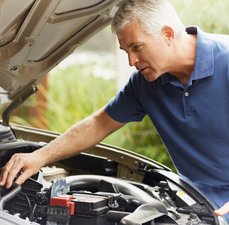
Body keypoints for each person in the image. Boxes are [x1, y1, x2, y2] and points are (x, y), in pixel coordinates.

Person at [0, 0, 228, 221]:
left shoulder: (225, 61)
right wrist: (39, 156)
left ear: (167, 34)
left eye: (136, 47)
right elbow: (99, 123)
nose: (131, 60)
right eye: (125, 50)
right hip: (197, 200)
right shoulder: (145, 83)